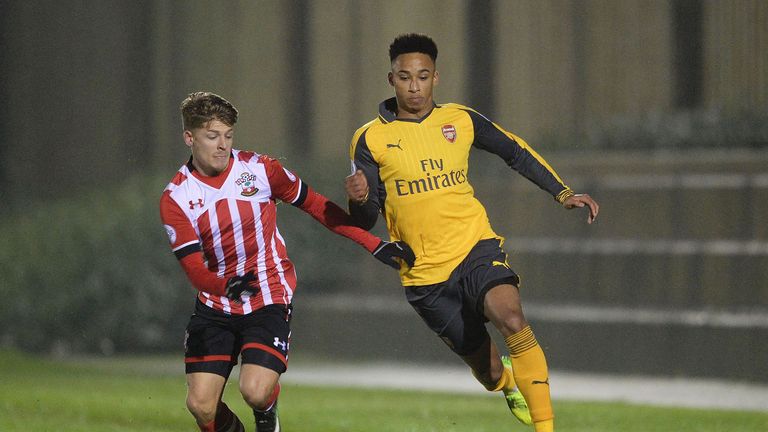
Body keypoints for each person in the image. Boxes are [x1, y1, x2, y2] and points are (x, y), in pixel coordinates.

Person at [344, 34, 599, 432]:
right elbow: (366, 219)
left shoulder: (459, 119)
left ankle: (546, 427)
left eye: (423, 76)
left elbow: (513, 150)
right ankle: (507, 382)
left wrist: (561, 192)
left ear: (436, 78)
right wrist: (359, 200)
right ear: (391, 78)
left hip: (474, 246)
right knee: (488, 370)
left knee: (512, 317)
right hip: (425, 274)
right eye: (405, 77)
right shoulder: (369, 138)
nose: (415, 86)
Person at [160, 91, 415, 432]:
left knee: (254, 390)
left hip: (267, 294)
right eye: (212, 136)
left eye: (228, 135)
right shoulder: (176, 197)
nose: (222, 145)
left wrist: (374, 244)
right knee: (201, 407)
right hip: (215, 305)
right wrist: (224, 286)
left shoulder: (260, 170)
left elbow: (317, 205)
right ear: (189, 138)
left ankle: (267, 413)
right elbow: (193, 269)